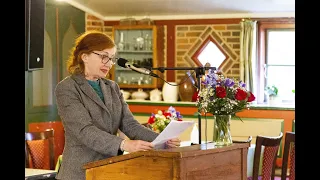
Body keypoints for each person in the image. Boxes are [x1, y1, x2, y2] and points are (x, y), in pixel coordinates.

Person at [54, 30, 181, 180]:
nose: (109, 64)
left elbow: (130, 125)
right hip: (79, 173)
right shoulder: (67, 88)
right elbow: (84, 131)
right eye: (103, 57)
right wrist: (124, 144)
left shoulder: (112, 87)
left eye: (112, 58)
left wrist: (161, 139)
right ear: (84, 56)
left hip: (110, 170)